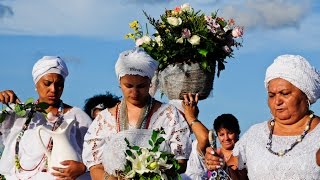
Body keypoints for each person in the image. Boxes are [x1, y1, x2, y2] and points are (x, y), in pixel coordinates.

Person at [204, 54, 320, 179]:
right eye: (271, 95)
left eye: (284, 93)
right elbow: (235, 175)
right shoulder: (255, 135)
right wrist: (220, 165)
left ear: (306, 95)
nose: (277, 101)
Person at [82, 48, 192, 179]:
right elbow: (95, 166)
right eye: (128, 86)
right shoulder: (104, 120)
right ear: (119, 83)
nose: (134, 93)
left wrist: (153, 172)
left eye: (141, 86)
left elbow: (180, 162)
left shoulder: (169, 115)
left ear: (150, 83)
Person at [0, 56, 92, 179]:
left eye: (59, 85)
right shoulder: (20, 114)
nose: (53, 89)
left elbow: (98, 157)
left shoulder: (78, 117)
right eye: (47, 83)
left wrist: (83, 167)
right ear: (36, 84)